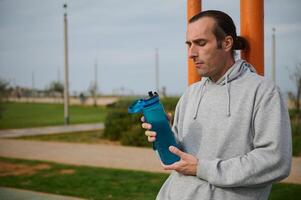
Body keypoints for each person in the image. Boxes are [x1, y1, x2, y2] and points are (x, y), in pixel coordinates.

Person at [141, 10, 292, 200]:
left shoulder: (263, 91)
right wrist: (164, 135)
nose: (191, 53)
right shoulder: (191, 93)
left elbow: (275, 161)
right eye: (189, 44)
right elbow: (179, 160)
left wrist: (202, 168)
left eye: (201, 43)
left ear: (227, 43)